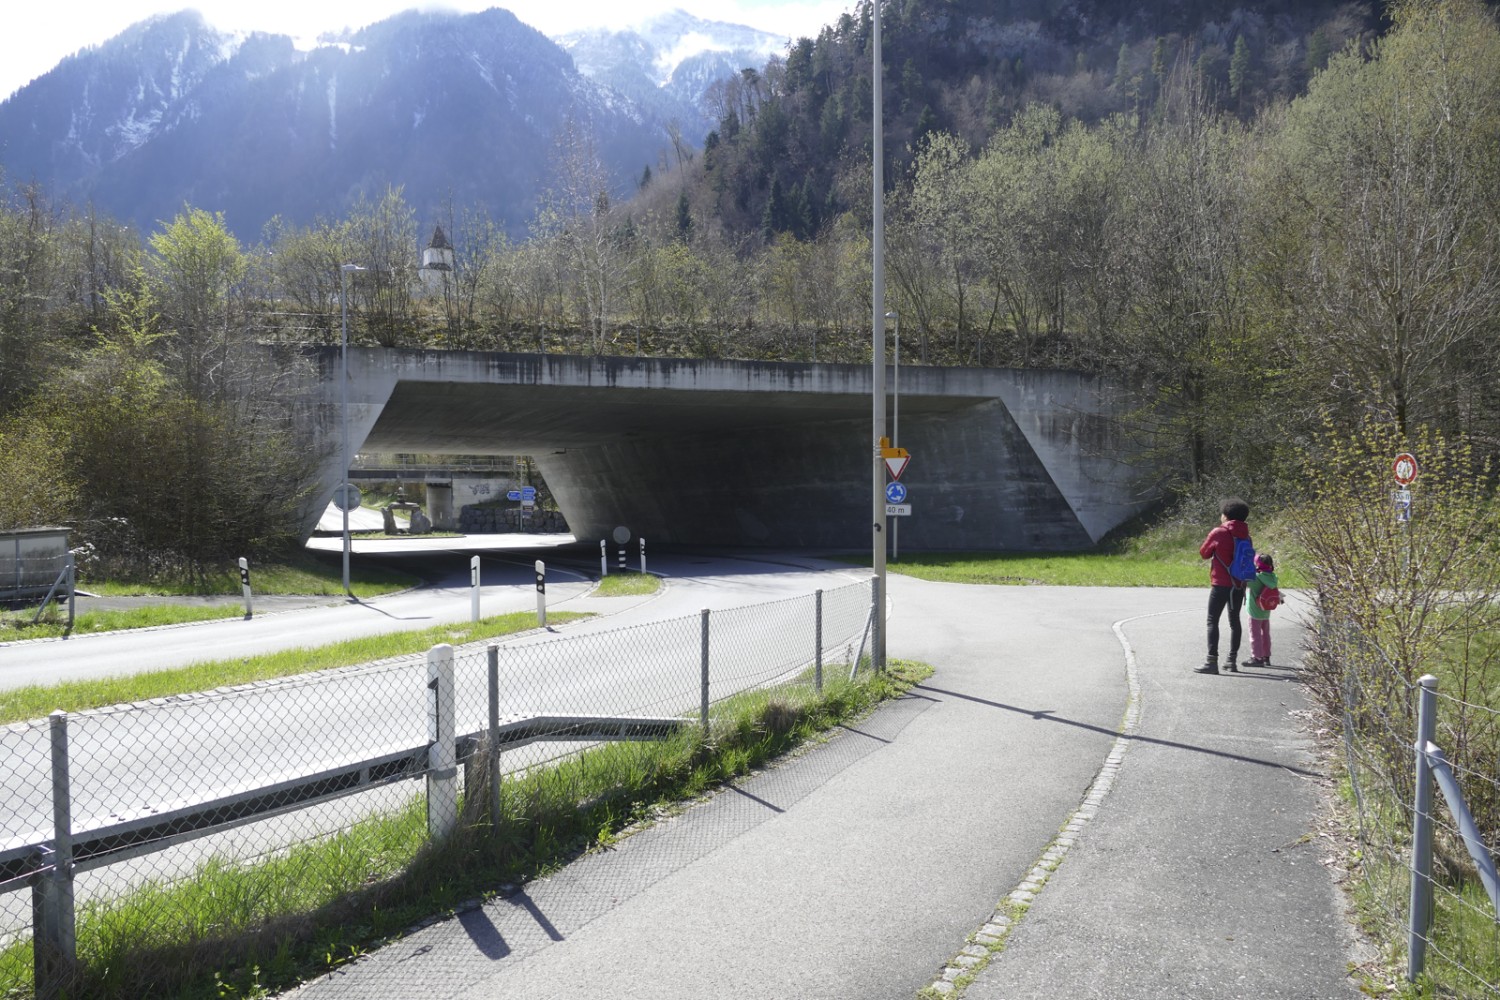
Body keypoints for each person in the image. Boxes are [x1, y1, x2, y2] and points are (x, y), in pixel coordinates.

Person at [1195, 497, 1252, 675]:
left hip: (1220, 584)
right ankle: (1231, 661)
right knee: (1235, 622)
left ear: (1226, 515)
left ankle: (1212, 662)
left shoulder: (1219, 532)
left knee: (1213, 621)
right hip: (1239, 585)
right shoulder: (1246, 536)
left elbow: (1204, 553)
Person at [1242, 553, 1279, 668]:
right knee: (1265, 634)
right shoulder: (1272, 577)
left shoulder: (1256, 578)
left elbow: (1244, 581)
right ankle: (1266, 656)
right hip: (1266, 610)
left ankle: (1257, 657)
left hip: (1254, 611)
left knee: (1255, 635)